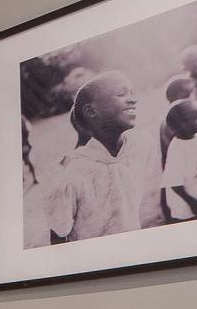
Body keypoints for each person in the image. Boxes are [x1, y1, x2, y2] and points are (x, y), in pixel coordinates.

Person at [44, 70, 141, 243]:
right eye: (121, 93)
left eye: (132, 93)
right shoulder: (74, 175)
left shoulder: (129, 156)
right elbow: (58, 235)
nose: (133, 99)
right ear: (91, 111)